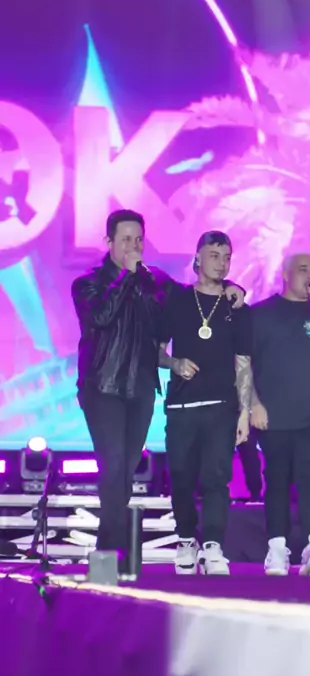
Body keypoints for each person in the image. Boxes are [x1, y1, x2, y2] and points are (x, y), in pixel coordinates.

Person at [71, 211, 244, 568]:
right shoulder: (87, 283)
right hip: (103, 386)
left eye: (139, 240)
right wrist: (126, 276)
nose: (134, 247)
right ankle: (110, 554)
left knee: (125, 470)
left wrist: (230, 286)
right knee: (113, 466)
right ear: (108, 242)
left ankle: (110, 551)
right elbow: (100, 316)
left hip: (140, 387)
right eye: (126, 240)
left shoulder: (154, 280)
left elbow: (193, 296)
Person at [158, 230, 252, 576]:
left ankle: (212, 545)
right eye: (214, 255)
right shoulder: (178, 300)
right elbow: (156, 350)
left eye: (226, 257)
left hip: (221, 406)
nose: (221, 263)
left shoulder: (237, 308)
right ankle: (186, 539)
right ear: (197, 258)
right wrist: (175, 363)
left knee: (217, 478)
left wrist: (244, 411)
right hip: (182, 406)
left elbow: (243, 362)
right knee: (181, 476)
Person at [250, 253, 310, 576]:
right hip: (274, 413)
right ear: (286, 274)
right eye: (303, 269)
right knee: (277, 480)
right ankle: (277, 548)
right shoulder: (261, 314)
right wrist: (253, 404)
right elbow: (243, 363)